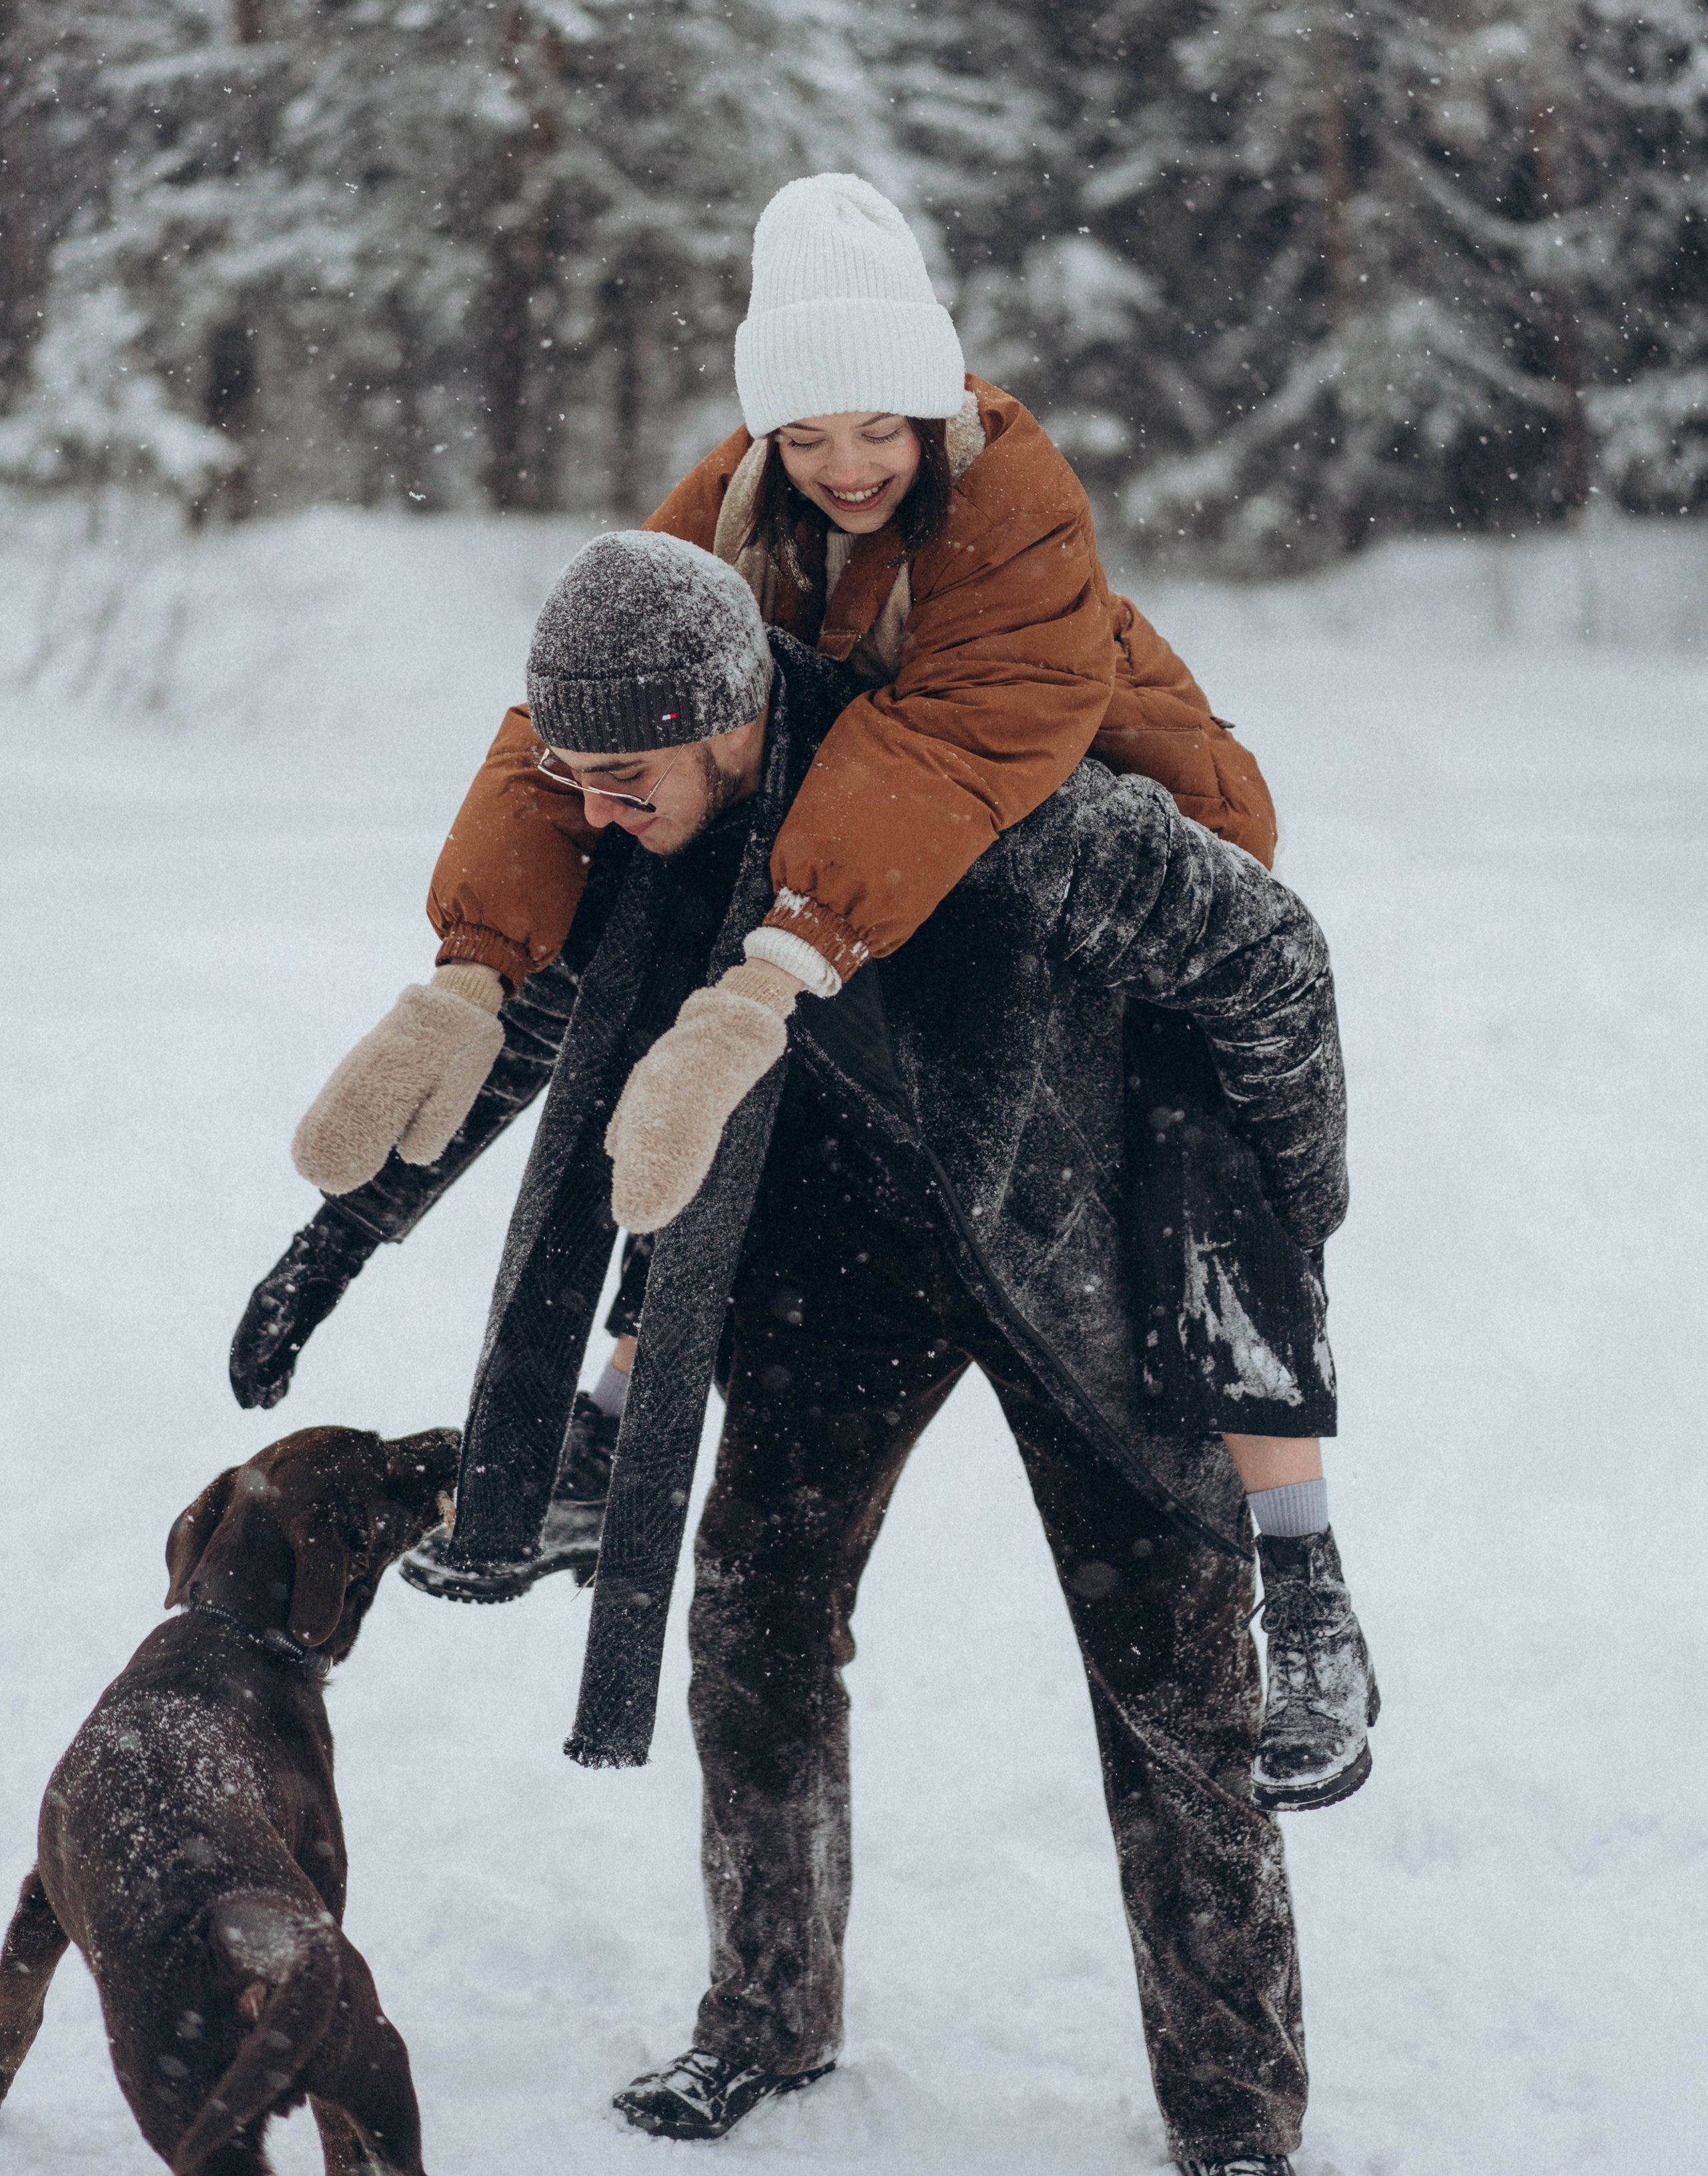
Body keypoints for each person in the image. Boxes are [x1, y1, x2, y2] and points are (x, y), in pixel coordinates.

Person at [260, 528, 1366, 2175]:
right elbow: (536, 1012)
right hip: (831, 1256)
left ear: (725, 723)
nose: (591, 812)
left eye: (622, 776)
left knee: (1170, 1688)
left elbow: (1270, 955)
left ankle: (1231, 2121)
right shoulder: (644, 815)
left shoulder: (991, 797)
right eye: (567, 776)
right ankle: (765, 2017)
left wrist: (1290, 1206)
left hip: (1076, 1245)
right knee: (753, 1618)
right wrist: (342, 1229)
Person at [273, 176, 1357, 1765]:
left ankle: (1306, 1576)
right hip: (885, 872)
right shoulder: (727, 505)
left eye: (875, 428)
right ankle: (607, 1423)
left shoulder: (1014, 498)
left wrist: (785, 949)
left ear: (927, 402)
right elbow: (570, 717)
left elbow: (954, 741)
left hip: (1099, 873)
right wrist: (475, 961)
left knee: (1195, 1180)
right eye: (803, 438)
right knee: (710, 1076)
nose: (843, 467)